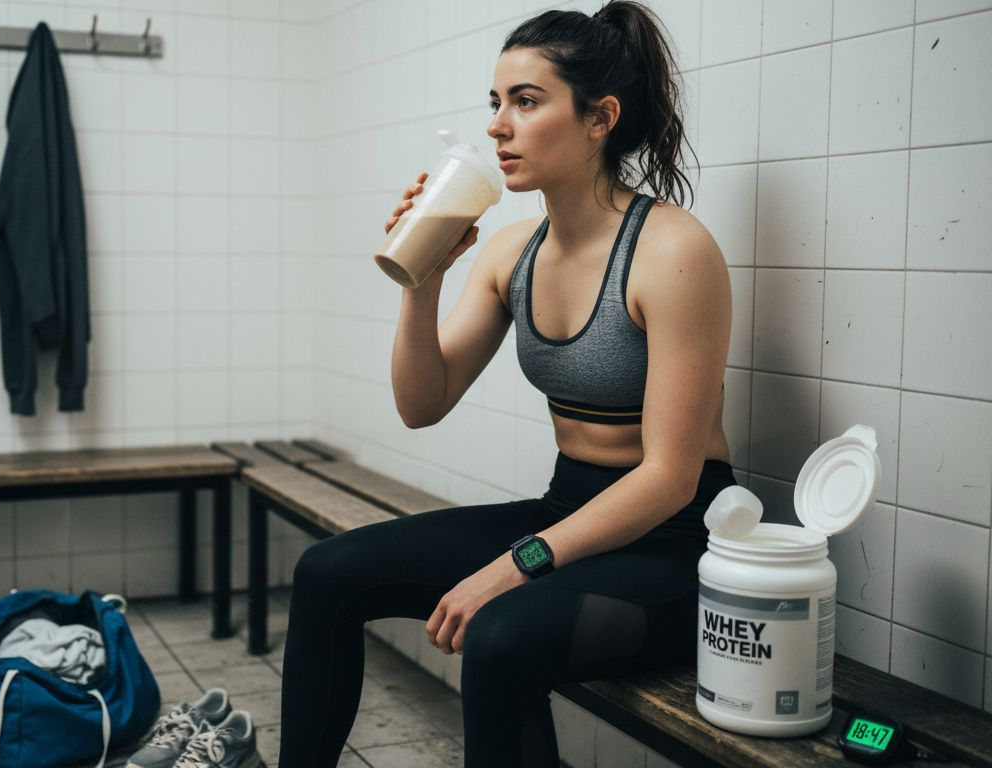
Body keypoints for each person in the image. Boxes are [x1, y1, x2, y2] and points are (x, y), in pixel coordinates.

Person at [276, 2, 736, 767]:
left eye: (526, 101)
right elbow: (422, 405)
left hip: (673, 551)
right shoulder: (511, 251)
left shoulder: (673, 251)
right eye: (496, 103)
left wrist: (512, 565)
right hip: (566, 512)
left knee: (497, 638)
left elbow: (668, 479)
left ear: (600, 119)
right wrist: (419, 277)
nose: (497, 126)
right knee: (326, 573)